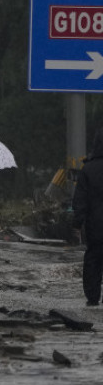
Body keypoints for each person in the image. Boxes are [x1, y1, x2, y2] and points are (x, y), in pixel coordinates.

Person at [73, 127, 103, 306]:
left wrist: (76, 224)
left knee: (93, 258)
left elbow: (80, 200)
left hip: (95, 225)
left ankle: (93, 297)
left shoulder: (87, 169)